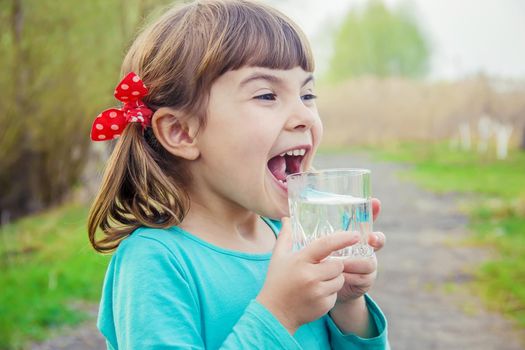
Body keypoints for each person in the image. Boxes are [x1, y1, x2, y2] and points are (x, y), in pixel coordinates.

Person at [88, 0, 389, 349]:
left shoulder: (290, 238)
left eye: (307, 94)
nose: (304, 116)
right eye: (266, 95)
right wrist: (280, 313)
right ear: (181, 132)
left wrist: (346, 303)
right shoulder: (155, 262)